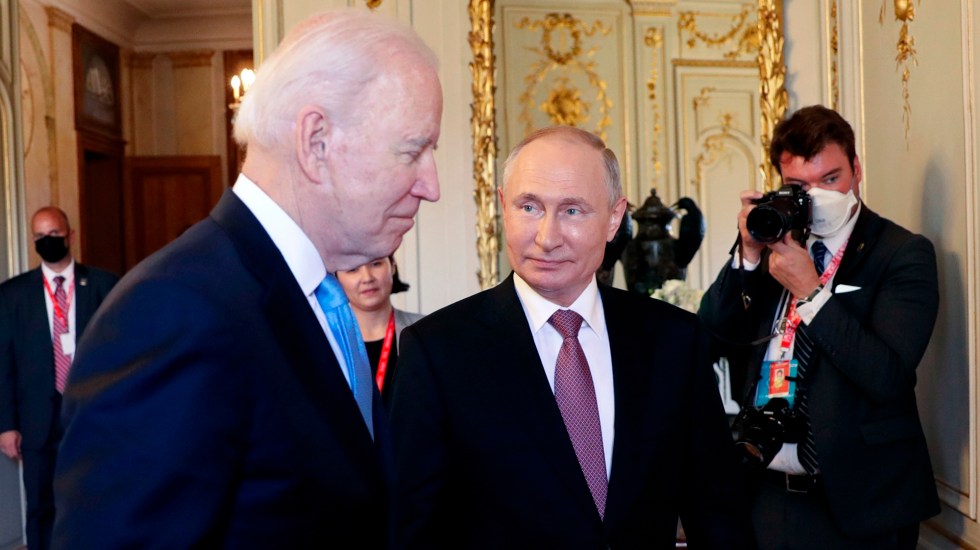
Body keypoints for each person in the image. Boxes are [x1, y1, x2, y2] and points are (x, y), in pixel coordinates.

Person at [52, 9, 442, 548]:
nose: (431, 185)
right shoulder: (173, 312)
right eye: (413, 151)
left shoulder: (314, 295)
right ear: (317, 141)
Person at [390, 126, 753, 548]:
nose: (547, 238)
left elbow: (719, 516)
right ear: (503, 206)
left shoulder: (674, 341)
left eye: (573, 211)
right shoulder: (437, 352)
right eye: (529, 207)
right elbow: (409, 531)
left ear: (614, 218)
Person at [699, 105, 940, 548]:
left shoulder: (901, 253)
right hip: (769, 493)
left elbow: (886, 375)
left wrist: (812, 294)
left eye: (830, 179)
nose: (818, 196)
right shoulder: (777, 245)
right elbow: (710, 336)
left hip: (864, 500)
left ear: (856, 170)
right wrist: (747, 254)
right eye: (799, 186)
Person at [0, 206, 118, 550]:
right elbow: (4, 362)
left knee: (94, 497)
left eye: (53, 234)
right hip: (37, 418)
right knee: (40, 505)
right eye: (39, 236)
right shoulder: (12, 295)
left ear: (70, 235)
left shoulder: (103, 285)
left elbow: (118, 353)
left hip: (91, 414)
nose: (47, 241)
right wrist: (7, 425)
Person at [337, 255, 423, 407]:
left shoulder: (426, 330)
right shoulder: (327, 341)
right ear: (336, 278)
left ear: (393, 266)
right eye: (353, 269)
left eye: (376, 264)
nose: (367, 278)